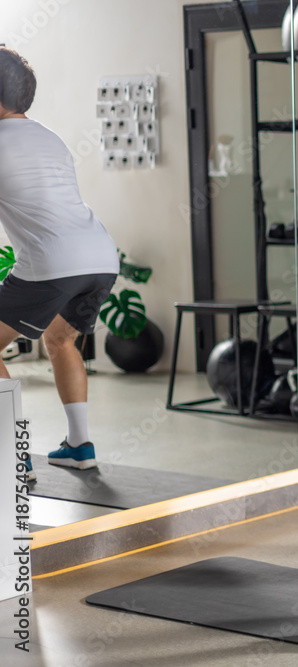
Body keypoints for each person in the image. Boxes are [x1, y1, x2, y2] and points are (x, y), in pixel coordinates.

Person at [0, 47, 120, 480]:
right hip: (100, 256)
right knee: (60, 340)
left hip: (53, 262)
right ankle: (78, 444)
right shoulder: (49, 137)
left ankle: (11, 457)